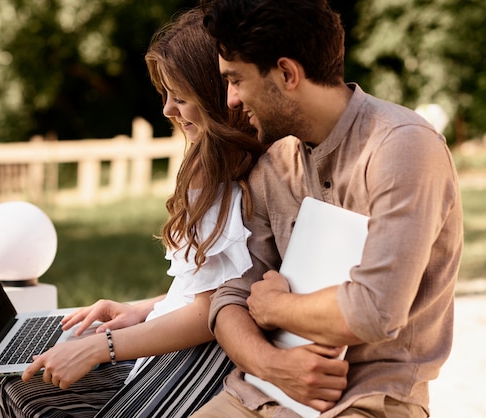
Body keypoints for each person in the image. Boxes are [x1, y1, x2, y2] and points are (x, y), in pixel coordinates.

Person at [191, 0, 463, 417]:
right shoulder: (274, 165)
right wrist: (272, 365)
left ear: (286, 74)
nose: (230, 100)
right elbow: (231, 296)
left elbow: (374, 310)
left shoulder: (402, 146)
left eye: (236, 80)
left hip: (367, 401)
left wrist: (274, 307)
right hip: (256, 394)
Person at [0, 7, 264, 418]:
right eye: (165, 95)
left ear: (213, 94)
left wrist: (102, 346)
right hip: (175, 341)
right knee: (11, 380)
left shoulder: (224, 173)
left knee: (29, 394)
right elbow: (203, 287)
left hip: (196, 362)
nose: (168, 109)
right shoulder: (214, 162)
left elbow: (211, 310)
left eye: (180, 97)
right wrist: (139, 309)